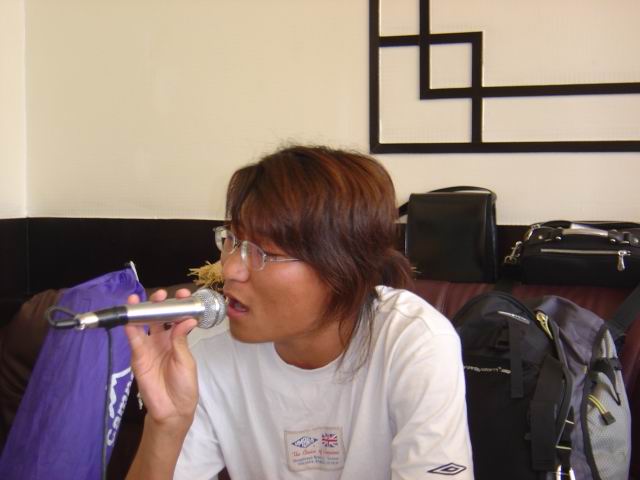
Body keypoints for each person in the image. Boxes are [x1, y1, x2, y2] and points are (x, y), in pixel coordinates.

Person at [124, 145, 474, 479]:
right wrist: (165, 425)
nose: (229, 268)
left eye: (264, 252)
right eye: (232, 240)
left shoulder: (414, 342)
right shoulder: (203, 349)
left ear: (342, 270)